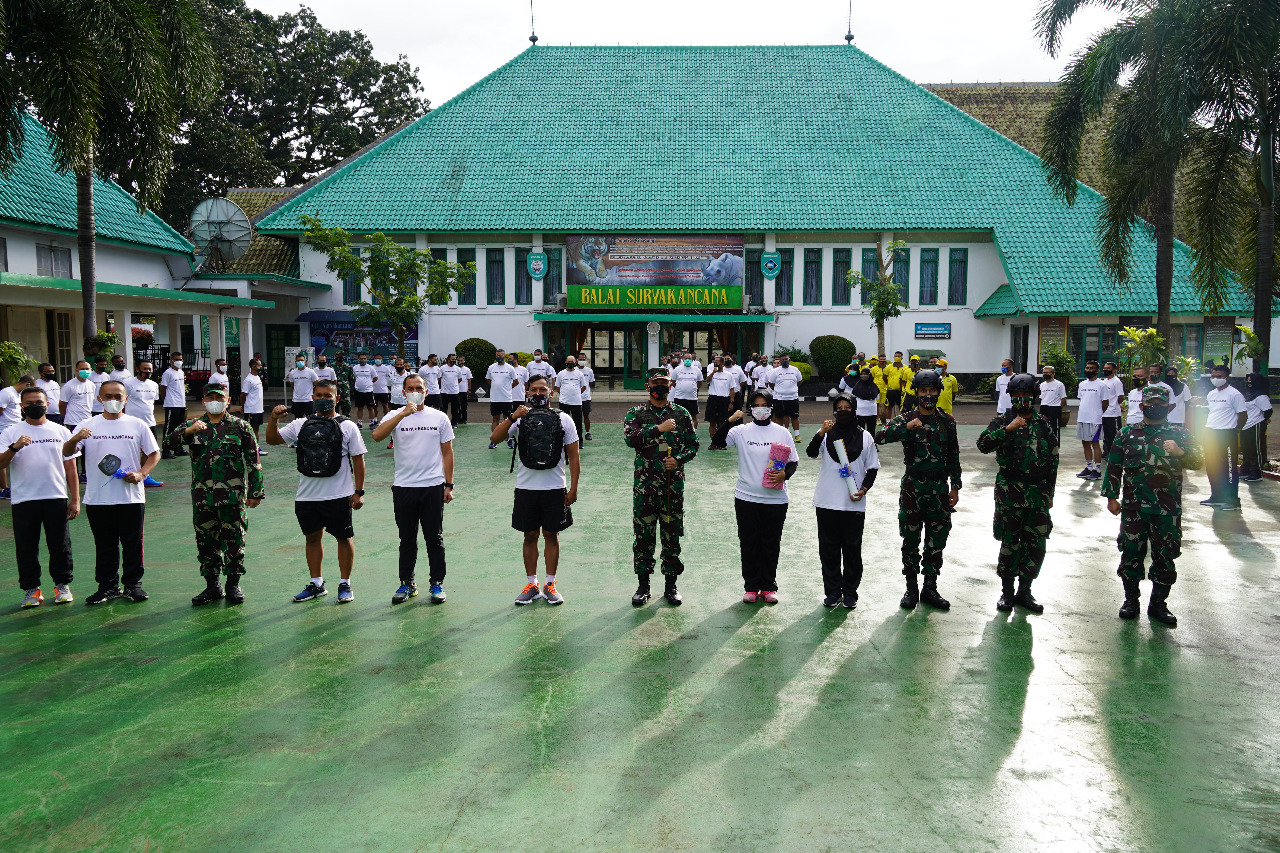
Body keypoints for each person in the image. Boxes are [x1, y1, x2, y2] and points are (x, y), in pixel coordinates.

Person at [1101, 385, 1202, 626]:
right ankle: (1131, 601)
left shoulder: (1181, 434)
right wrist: (1111, 497)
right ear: (1141, 406)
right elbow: (1114, 466)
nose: (1155, 407)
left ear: (1169, 407)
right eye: (1150, 403)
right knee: (1131, 554)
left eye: (1160, 404)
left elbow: (1198, 462)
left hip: (1166, 509)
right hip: (1134, 508)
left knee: (1165, 556)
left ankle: (1158, 604)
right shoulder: (1126, 433)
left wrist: (1180, 453)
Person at [267, 380, 367, 604]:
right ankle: (316, 583)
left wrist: (358, 491)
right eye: (319, 395)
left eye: (328, 395)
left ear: (337, 398)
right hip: (307, 496)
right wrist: (273, 418)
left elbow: (358, 460)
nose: (323, 399)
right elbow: (272, 440)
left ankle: (345, 584)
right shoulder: (300, 424)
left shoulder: (348, 426)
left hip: (338, 495)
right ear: (312, 397)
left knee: (344, 538)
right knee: (312, 538)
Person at [63, 380, 161, 605]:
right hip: (98, 499)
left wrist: (141, 474)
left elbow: (154, 454)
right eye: (108, 396)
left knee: (133, 542)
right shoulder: (87, 424)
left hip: (131, 497)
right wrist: (76, 438)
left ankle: (133, 585)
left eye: (118, 396)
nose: (113, 400)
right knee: (105, 544)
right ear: (99, 399)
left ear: (126, 399)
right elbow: (67, 452)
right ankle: (107, 586)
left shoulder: (137, 424)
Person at [490, 374, 580, 606]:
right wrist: (512, 417)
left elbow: (574, 455)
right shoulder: (520, 419)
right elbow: (495, 438)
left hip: (554, 487)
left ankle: (550, 584)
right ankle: (532, 584)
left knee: (551, 535)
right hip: (526, 488)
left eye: (542, 389)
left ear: (551, 392)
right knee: (529, 535)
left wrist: (573, 489)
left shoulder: (564, 419)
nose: (538, 393)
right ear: (527, 393)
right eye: (533, 390)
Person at [170, 385, 264, 606]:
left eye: (219, 397)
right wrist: (188, 432)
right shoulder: (191, 425)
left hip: (232, 496)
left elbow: (253, 461)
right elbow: (169, 444)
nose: (214, 401)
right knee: (205, 540)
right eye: (210, 397)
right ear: (203, 401)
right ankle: (212, 585)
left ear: (228, 400)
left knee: (234, 539)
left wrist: (256, 492)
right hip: (203, 497)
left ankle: (233, 584)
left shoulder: (241, 426)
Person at [875, 370, 960, 611]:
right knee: (911, 539)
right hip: (913, 487)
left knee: (936, 541)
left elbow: (953, 454)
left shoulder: (947, 421)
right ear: (916, 391)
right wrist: (906, 428)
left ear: (938, 391)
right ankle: (911, 589)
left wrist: (956, 486)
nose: (928, 395)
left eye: (932, 391)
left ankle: (930, 588)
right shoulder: (907, 418)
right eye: (923, 391)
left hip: (939, 489)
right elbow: (879, 437)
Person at [976, 373, 1059, 613]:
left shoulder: (1043, 423)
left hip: (1038, 493)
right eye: (1017, 395)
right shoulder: (1003, 420)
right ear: (1011, 397)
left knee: (1035, 544)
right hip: (1010, 492)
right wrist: (1008, 429)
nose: (1022, 399)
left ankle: (1025, 591)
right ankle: (1007, 592)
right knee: (1010, 543)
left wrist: (1050, 492)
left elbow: (1053, 459)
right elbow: (983, 445)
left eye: (1027, 395)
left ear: (1035, 396)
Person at [372, 374, 455, 605]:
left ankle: (437, 583)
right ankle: (407, 583)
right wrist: (402, 414)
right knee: (407, 538)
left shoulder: (439, 417)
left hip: (433, 486)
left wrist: (449, 485)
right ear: (403, 392)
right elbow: (377, 436)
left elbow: (447, 452)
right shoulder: (394, 415)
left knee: (433, 537)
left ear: (426, 391)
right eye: (410, 388)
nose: (415, 391)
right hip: (404, 487)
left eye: (419, 388)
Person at [713, 389, 799, 603]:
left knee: (771, 542)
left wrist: (784, 475)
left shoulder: (782, 432)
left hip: (775, 499)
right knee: (749, 542)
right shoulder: (741, 431)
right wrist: (730, 420)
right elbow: (717, 441)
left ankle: (769, 586)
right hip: (746, 497)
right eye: (757, 405)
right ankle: (751, 587)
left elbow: (793, 461)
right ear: (751, 408)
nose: (761, 409)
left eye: (765, 405)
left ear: (771, 407)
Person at [623, 368, 699, 606]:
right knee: (643, 538)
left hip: (671, 488)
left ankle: (671, 586)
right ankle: (643, 586)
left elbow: (693, 445)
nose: (660, 388)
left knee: (671, 536)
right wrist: (659, 429)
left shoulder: (681, 413)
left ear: (670, 386)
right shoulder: (636, 413)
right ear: (648, 386)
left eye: (664, 384)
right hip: (644, 489)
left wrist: (679, 460)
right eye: (655, 384)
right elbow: (630, 439)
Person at [1, 386, 79, 607]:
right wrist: (14, 448)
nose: (35, 406)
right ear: (21, 406)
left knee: (60, 545)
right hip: (24, 499)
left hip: (55, 497)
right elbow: (1, 464)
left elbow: (71, 468)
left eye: (39, 402)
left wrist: (75, 499)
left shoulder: (61, 431)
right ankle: (31, 590)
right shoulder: (10, 432)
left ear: (47, 404)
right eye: (29, 403)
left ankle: (62, 585)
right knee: (26, 546)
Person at [806, 393, 880, 609]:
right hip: (827, 502)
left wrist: (864, 489)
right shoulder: (827, 434)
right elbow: (811, 453)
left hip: (853, 503)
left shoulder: (866, 437)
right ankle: (832, 592)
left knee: (852, 550)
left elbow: (873, 468)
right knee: (828, 550)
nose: (843, 410)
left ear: (854, 410)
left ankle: (850, 593)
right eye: (839, 407)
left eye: (847, 407)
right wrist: (821, 432)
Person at [1201, 363, 1247, 510]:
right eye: (1213, 376)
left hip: (1227, 434)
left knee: (1229, 468)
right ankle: (1216, 497)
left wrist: (1236, 430)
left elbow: (1243, 414)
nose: (1215, 379)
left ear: (1227, 377)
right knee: (1212, 467)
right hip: (1211, 433)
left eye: (1219, 376)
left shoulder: (1234, 394)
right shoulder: (1211, 394)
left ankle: (1233, 500)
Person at [123, 361, 164, 486]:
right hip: (132, 423)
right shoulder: (128, 383)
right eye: (144, 369)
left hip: (150, 422)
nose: (147, 371)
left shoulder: (154, 385)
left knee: (150, 450)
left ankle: (144, 475)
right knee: (132, 450)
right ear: (137, 369)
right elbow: (123, 402)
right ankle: (129, 474)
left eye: (149, 369)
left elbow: (152, 402)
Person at [1075, 360, 1114, 480]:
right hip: (1082, 418)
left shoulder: (1101, 385)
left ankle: (1097, 470)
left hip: (1095, 420)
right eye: (1087, 368)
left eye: (1091, 368)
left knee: (1095, 444)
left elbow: (1105, 403)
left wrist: (1097, 414)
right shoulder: (1082, 384)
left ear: (1097, 370)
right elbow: (1082, 400)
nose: (1088, 370)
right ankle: (1088, 468)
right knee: (1085, 443)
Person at [59, 360, 96, 480]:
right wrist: (66, 419)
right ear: (76, 370)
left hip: (88, 420)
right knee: (74, 449)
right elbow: (62, 404)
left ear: (91, 370)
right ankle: (75, 473)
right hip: (73, 422)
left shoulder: (91, 384)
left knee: (88, 449)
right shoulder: (69, 386)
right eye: (82, 369)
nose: (85, 371)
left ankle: (86, 473)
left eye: (87, 369)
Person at [0, 373, 33, 500]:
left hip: (16, 429)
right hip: (4, 431)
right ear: (26, 385)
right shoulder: (6, 393)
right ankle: (4, 489)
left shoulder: (17, 394)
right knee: (3, 458)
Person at [1240, 373, 1272, 480]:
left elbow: (1268, 410)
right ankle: (1246, 470)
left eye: (1251, 380)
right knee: (1246, 449)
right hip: (1246, 425)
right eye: (1247, 380)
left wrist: (1263, 419)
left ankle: (1256, 473)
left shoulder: (1261, 396)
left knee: (1255, 450)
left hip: (1256, 425)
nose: (1249, 383)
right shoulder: (1250, 395)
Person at [486, 349, 518, 448]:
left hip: (506, 399)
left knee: (507, 419)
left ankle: (509, 440)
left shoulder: (510, 368)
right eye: (497, 355)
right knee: (495, 419)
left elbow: (516, 381)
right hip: (495, 399)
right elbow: (488, 380)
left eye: (500, 355)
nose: (498, 357)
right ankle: (494, 441)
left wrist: (507, 389)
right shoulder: (491, 367)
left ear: (504, 356)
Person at [768, 355, 804, 441]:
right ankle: (781, 435)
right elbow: (771, 383)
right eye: (783, 360)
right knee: (779, 417)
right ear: (780, 361)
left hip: (793, 398)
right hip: (779, 398)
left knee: (794, 417)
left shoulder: (795, 370)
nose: (785, 361)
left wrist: (791, 390)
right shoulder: (775, 371)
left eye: (786, 359)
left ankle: (797, 435)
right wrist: (780, 391)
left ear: (789, 360)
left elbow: (799, 381)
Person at [159, 352, 188, 458]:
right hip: (172, 404)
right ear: (171, 360)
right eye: (176, 359)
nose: (178, 361)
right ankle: (165, 451)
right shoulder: (168, 373)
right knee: (169, 428)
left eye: (180, 359)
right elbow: (163, 388)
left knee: (179, 428)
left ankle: (178, 448)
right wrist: (165, 401)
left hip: (181, 403)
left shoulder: (181, 372)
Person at [554, 356, 586, 445]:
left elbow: (583, 386)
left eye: (572, 361)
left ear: (575, 362)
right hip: (564, 402)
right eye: (568, 361)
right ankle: (563, 441)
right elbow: (557, 387)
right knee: (563, 423)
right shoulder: (561, 374)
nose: (570, 363)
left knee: (578, 423)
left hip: (576, 402)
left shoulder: (579, 374)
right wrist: (565, 394)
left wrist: (576, 394)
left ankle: (579, 442)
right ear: (565, 362)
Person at [703, 355, 734, 447]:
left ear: (722, 363)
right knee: (712, 422)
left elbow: (731, 389)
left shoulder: (729, 375)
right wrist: (713, 372)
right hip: (713, 399)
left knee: (722, 422)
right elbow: (707, 380)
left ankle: (720, 442)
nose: (715, 363)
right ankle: (713, 442)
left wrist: (731, 402)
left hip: (724, 399)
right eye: (714, 362)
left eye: (717, 362)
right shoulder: (711, 373)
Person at [239, 358, 267, 455]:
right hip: (251, 410)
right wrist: (243, 407)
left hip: (258, 409)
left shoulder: (257, 377)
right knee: (250, 430)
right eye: (259, 365)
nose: (261, 367)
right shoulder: (248, 380)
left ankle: (256, 447)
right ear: (253, 366)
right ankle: (249, 448)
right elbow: (243, 395)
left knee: (256, 429)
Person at [671, 355, 703, 429]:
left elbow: (700, 382)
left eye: (689, 359)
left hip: (692, 398)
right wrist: (681, 387)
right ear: (682, 359)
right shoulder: (677, 369)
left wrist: (692, 388)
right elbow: (673, 381)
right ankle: (678, 433)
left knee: (693, 417)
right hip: (679, 397)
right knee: (677, 416)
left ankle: (693, 434)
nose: (688, 360)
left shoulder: (697, 370)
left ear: (692, 360)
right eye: (686, 359)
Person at [843, 367, 880, 431]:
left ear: (869, 374)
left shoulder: (874, 386)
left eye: (865, 374)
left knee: (871, 430)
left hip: (871, 411)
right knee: (860, 431)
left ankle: (871, 441)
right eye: (862, 374)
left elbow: (876, 397)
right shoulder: (857, 386)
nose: (863, 376)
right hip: (860, 412)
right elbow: (854, 397)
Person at [1038, 364, 1068, 441]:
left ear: (1053, 373)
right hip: (1043, 408)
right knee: (1043, 427)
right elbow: (1041, 398)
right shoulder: (1042, 385)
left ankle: (1054, 445)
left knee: (1054, 429)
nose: (1045, 374)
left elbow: (1063, 398)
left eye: (1047, 373)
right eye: (1044, 373)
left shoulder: (1059, 384)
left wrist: (1058, 409)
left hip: (1054, 408)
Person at [1100, 361, 1125, 454]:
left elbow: (1121, 397)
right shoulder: (1104, 381)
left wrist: (1114, 404)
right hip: (1104, 413)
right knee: (1105, 434)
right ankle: (1106, 451)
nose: (1106, 370)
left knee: (1113, 434)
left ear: (1114, 370)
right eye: (1105, 368)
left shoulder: (1117, 382)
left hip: (1113, 413)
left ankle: (1113, 453)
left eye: (1108, 368)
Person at [286, 354, 319, 423]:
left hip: (308, 400)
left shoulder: (311, 372)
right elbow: (292, 385)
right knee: (298, 421)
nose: (300, 362)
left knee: (311, 421)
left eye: (302, 360)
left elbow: (316, 383)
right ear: (295, 362)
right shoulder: (292, 373)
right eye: (298, 360)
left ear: (305, 361)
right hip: (297, 401)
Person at [351, 352, 377, 428]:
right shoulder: (355, 368)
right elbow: (354, 378)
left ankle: (371, 423)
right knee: (360, 408)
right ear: (358, 359)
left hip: (369, 391)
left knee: (370, 408)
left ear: (367, 359)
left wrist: (369, 384)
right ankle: (359, 423)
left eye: (364, 358)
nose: (363, 360)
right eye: (361, 359)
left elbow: (375, 378)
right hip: (358, 391)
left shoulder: (371, 368)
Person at [884, 352, 908, 419]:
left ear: (902, 358)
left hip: (901, 391)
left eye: (899, 356)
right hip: (890, 390)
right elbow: (884, 377)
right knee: (889, 406)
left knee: (901, 407)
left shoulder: (905, 367)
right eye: (896, 356)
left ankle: (900, 421)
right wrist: (889, 384)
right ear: (894, 357)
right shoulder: (888, 367)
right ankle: (888, 422)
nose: (897, 357)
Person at [439, 354, 462, 426]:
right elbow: (439, 378)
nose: (453, 361)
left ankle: (454, 423)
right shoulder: (442, 368)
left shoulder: (458, 369)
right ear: (448, 359)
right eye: (452, 359)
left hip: (455, 392)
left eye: (454, 359)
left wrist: (453, 385)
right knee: (443, 409)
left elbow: (460, 379)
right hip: (444, 392)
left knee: (455, 409)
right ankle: (443, 423)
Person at [578, 351, 596, 440]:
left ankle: (587, 433)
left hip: (586, 398)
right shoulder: (574, 370)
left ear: (586, 360)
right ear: (577, 360)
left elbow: (591, 382)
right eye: (580, 359)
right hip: (575, 398)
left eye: (583, 359)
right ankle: (576, 433)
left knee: (586, 416)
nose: (582, 361)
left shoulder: (589, 371)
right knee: (575, 416)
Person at [371, 354, 393, 423]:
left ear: (382, 359)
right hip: (374, 390)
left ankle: (386, 420)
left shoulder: (386, 368)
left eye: (379, 358)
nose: (378, 360)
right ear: (374, 359)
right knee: (374, 406)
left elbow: (388, 377)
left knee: (385, 406)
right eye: (376, 358)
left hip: (383, 390)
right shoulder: (372, 368)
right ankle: (375, 419)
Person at [332, 351, 354, 417]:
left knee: (346, 412)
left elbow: (351, 380)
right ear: (335, 356)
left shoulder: (348, 367)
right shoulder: (330, 367)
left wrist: (348, 389)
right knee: (334, 412)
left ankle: (346, 425)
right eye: (338, 355)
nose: (340, 357)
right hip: (334, 393)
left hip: (345, 393)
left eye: (341, 356)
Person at [456, 355, 472, 425]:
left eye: (461, 360)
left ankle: (464, 419)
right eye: (459, 361)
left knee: (464, 405)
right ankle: (458, 419)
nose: (460, 362)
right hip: (456, 390)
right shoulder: (455, 369)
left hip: (464, 390)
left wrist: (469, 389)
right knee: (456, 405)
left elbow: (469, 379)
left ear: (464, 361)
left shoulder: (467, 369)